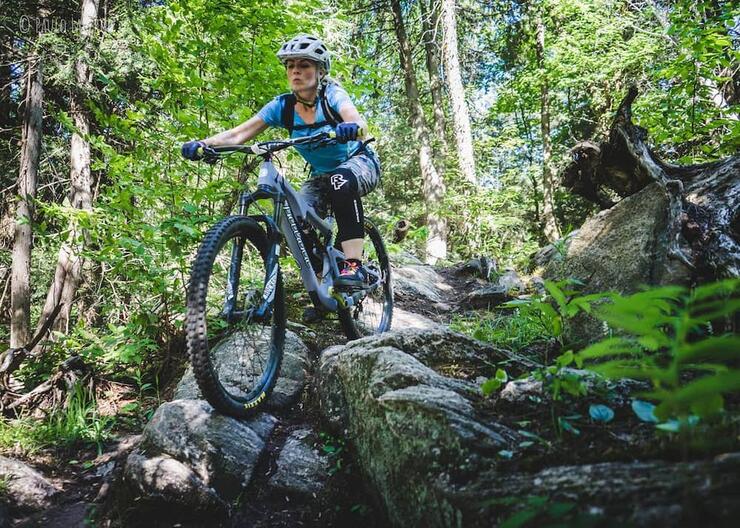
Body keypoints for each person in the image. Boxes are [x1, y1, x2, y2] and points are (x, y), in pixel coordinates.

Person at [181, 34, 381, 318]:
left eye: (304, 65)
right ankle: (325, 291)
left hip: (358, 161)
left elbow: (353, 117)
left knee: (340, 181)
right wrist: (204, 144)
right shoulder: (283, 107)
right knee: (298, 221)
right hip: (320, 175)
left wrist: (352, 127)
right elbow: (239, 134)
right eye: (290, 66)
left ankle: (353, 265)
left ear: (321, 71)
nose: (296, 71)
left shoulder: (332, 95)